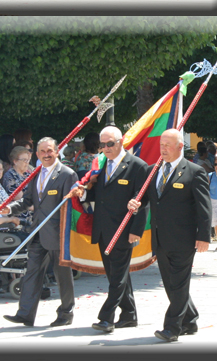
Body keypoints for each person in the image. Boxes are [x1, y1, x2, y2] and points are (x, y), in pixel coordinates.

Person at [127, 128, 212, 342]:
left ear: (180, 147)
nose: (163, 149)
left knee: (179, 282)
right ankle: (190, 319)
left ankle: (172, 328)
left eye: (168, 145)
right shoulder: (152, 171)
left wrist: (204, 236)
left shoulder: (194, 171)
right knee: (171, 283)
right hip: (160, 238)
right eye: (161, 145)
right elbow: (145, 200)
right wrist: (135, 204)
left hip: (184, 239)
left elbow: (204, 207)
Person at [74, 124, 149, 334]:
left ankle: (106, 317)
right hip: (103, 228)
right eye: (102, 145)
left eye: (110, 144)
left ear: (120, 142)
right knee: (116, 273)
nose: (105, 148)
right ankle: (129, 314)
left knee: (117, 275)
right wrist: (83, 193)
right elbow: (98, 194)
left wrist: (137, 230)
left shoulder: (137, 166)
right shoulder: (101, 165)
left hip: (124, 229)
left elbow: (143, 201)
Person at [3, 137, 78, 328]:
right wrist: (9, 209)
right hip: (37, 231)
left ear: (57, 152)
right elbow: (28, 201)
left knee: (62, 275)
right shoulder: (35, 174)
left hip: (58, 233)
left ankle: (66, 313)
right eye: (42, 151)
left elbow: (73, 205)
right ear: (37, 154)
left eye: (50, 151)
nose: (46, 155)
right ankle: (25, 314)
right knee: (32, 273)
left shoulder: (67, 174)